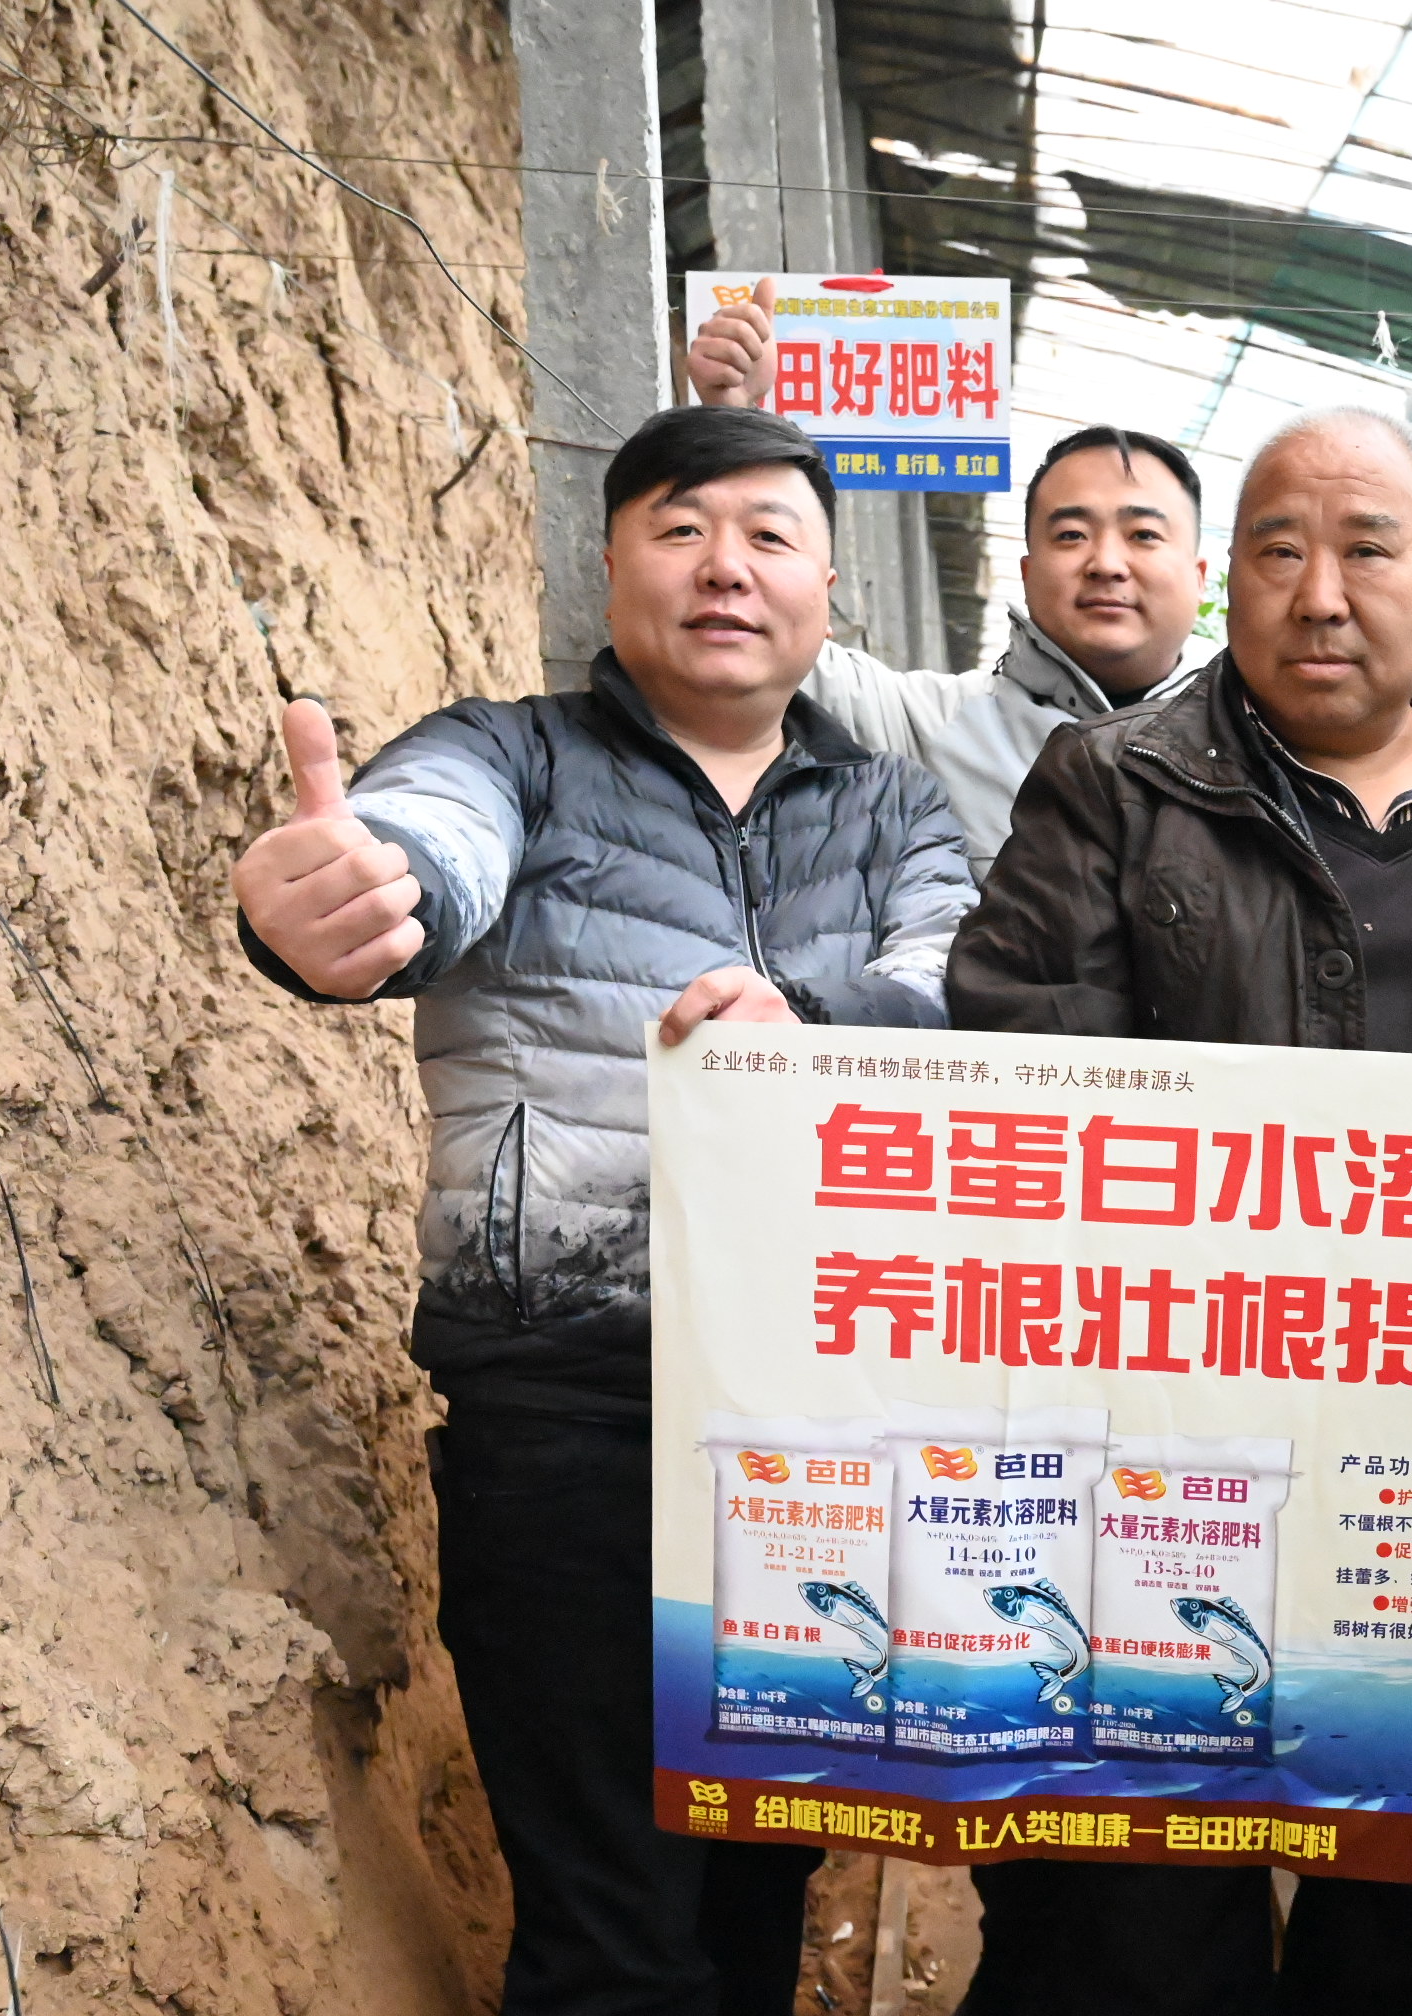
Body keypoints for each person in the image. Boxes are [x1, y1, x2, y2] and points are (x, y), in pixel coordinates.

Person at [229, 405, 975, 2015]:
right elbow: (427, 847)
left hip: (816, 1429)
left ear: (828, 589)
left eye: (769, 535)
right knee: (606, 1929)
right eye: (680, 527)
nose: (726, 566)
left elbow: (953, 983)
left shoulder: (896, 812)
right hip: (568, 1407)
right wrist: (361, 892)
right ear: (612, 563)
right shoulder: (510, 756)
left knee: (757, 1901)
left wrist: (809, 1017)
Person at [944, 406, 1412, 2014]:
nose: (1320, 594)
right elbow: (1022, 1080)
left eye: (1365, 549)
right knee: (1142, 1917)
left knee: (1395, 1922)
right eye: (1278, 551)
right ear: (1228, 582)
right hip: (1173, 1464)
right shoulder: (1115, 788)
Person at [687, 294, 1412, 877]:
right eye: (1070, 534)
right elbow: (750, 633)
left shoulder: (1276, 716)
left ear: (1207, 574)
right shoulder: (934, 725)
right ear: (1027, 571)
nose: (1107, 561)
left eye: (1142, 533)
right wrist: (735, 430)